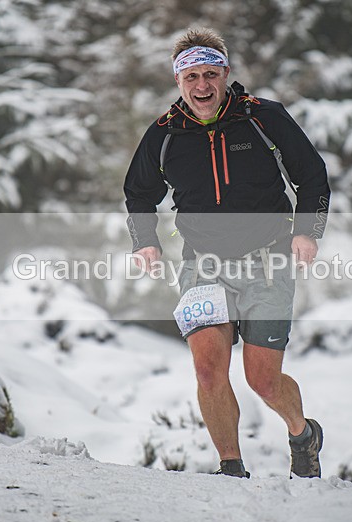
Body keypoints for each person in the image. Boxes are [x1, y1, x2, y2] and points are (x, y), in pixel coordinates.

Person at [124, 27, 330, 479]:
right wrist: (145, 240)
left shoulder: (264, 118)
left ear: (226, 73)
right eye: (192, 76)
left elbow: (312, 176)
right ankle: (231, 468)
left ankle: (302, 432)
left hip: (268, 260)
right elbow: (139, 193)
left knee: (263, 379)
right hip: (203, 264)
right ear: (178, 81)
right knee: (207, 370)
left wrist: (307, 232)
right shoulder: (164, 135)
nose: (202, 86)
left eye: (210, 74)